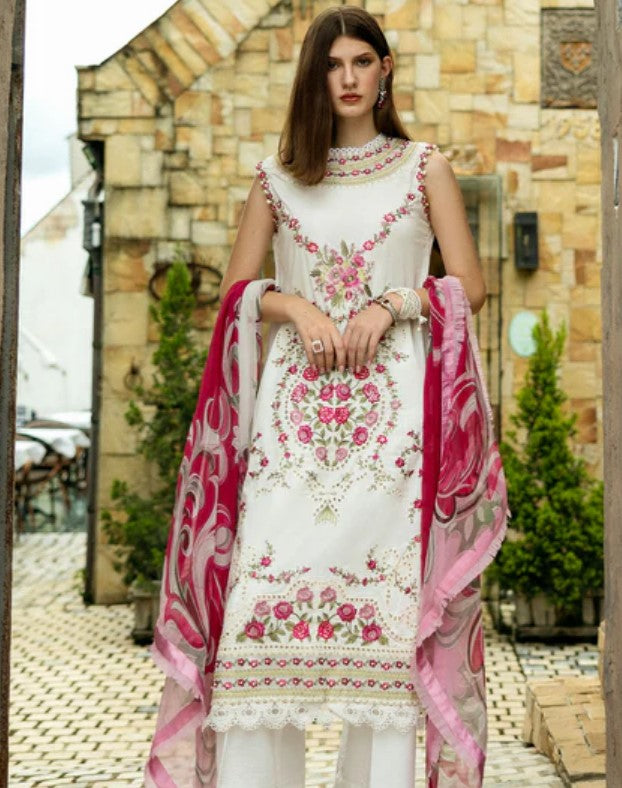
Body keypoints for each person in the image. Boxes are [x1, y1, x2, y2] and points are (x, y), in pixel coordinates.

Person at [145, 6, 507, 788]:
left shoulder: (423, 169)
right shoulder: (277, 179)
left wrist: (393, 304)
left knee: (382, 638)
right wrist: (294, 306)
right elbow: (236, 294)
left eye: (361, 62)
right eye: (332, 65)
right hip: (290, 436)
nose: (347, 78)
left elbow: (469, 285)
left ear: (385, 71)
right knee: (258, 622)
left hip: (391, 438)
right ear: (315, 77)